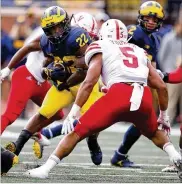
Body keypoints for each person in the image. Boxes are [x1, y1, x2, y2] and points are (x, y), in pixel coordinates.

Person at [25, 19, 182, 180]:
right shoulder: (138, 50)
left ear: (103, 34)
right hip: (143, 96)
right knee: (155, 132)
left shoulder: (100, 46)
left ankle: (45, 169)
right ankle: (175, 156)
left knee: (76, 132)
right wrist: (163, 116)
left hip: (118, 95)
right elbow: (161, 86)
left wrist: (73, 112)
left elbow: (89, 82)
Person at [3, 6, 102, 166]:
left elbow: (86, 69)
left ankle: (93, 142)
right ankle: (17, 146)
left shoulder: (80, 39)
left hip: (86, 85)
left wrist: (66, 66)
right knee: (44, 112)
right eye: (52, 29)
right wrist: (49, 70)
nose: (56, 33)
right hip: (65, 85)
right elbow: (44, 62)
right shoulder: (49, 41)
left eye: (59, 28)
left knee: (93, 120)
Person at [110, 1, 170, 168]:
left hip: (137, 85)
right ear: (140, 17)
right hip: (121, 82)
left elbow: (153, 66)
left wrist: (157, 75)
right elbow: (115, 53)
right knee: (95, 119)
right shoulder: (133, 33)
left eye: (154, 19)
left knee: (143, 119)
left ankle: (119, 155)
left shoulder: (155, 39)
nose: (151, 21)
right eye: (148, 18)